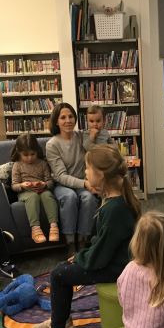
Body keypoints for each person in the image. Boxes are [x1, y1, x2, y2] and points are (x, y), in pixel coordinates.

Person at [26, 144, 141, 328]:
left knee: (60, 274)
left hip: (118, 268)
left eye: (87, 168)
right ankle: (62, 320)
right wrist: (80, 256)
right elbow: (99, 241)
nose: (85, 172)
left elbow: (101, 255)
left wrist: (81, 258)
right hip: (113, 260)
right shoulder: (112, 200)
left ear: (101, 174)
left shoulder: (115, 209)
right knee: (64, 267)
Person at [45, 102, 110, 252]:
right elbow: (60, 176)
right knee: (69, 197)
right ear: (56, 121)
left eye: (70, 116)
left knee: (88, 198)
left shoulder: (82, 137)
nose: (68, 120)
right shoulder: (52, 144)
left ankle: (82, 241)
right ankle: (70, 244)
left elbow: (100, 146)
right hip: (63, 185)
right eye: (63, 117)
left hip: (84, 182)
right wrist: (85, 183)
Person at [11, 133, 59, 244]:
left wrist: (44, 184)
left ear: (37, 151)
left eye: (32, 154)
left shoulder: (42, 164)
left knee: (47, 195)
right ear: (19, 153)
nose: (29, 158)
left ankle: (54, 226)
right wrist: (22, 185)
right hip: (26, 193)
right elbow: (14, 185)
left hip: (42, 190)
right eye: (25, 155)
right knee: (32, 197)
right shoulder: (17, 165)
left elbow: (50, 182)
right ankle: (35, 229)